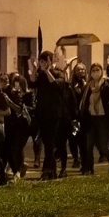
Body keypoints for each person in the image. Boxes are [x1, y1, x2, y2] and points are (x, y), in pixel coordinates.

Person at [31, 52, 71, 180]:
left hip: (55, 114)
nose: (42, 64)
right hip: (42, 113)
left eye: (44, 61)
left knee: (51, 142)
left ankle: (48, 170)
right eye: (40, 62)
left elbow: (56, 86)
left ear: (49, 61)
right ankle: (51, 171)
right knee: (47, 142)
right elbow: (32, 83)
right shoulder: (41, 75)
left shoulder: (58, 73)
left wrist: (47, 71)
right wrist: (33, 68)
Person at [79, 62, 109, 173]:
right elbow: (84, 103)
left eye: (98, 70)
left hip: (103, 119)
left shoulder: (105, 85)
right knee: (89, 146)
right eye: (93, 70)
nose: (96, 73)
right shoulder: (88, 87)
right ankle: (89, 169)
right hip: (91, 119)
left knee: (103, 146)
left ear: (102, 71)